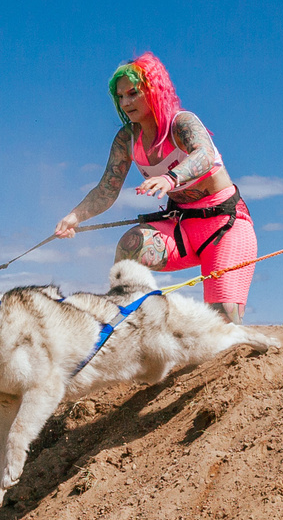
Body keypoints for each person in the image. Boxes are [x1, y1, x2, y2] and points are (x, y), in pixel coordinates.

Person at [54, 53, 258, 323]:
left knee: (221, 324)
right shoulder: (126, 139)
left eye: (132, 93)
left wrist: (170, 179)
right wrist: (75, 217)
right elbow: (107, 188)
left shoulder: (181, 123)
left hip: (225, 226)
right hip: (182, 229)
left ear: (153, 90)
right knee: (130, 246)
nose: (125, 103)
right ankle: (131, 324)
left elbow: (205, 155)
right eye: (120, 97)